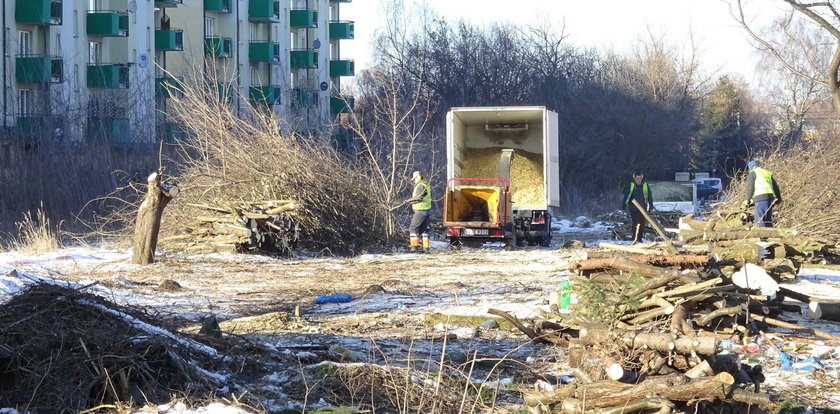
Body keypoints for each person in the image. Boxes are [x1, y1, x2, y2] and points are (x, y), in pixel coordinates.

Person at [745, 160, 782, 227]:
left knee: (760, 221)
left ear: (750, 168)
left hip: (760, 199)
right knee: (768, 220)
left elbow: (750, 188)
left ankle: (761, 236)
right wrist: (779, 198)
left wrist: (748, 200)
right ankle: (769, 235)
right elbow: (776, 187)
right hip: (769, 198)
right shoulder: (767, 172)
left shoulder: (752, 173)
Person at [623, 171, 654, 244]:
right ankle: (634, 237)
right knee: (635, 223)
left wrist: (651, 206)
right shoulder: (631, 186)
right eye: (637, 178)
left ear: (642, 178)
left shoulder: (645, 185)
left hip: (643, 207)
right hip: (633, 208)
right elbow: (626, 196)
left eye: (640, 178)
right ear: (634, 179)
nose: (638, 180)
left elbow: (649, 196)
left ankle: (640, 238)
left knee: (642, 223)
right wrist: (623, 206)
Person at [405, 171, 432, 252]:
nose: (414, 181)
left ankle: (414, 248)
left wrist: (408, 201)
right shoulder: (425, 184)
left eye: (414, 179)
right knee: (424, 231)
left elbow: (418, 198)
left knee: (413, 229)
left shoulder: (420, 186)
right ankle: (426, 249)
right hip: (426, 211)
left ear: (418, 177)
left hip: (421, 210)